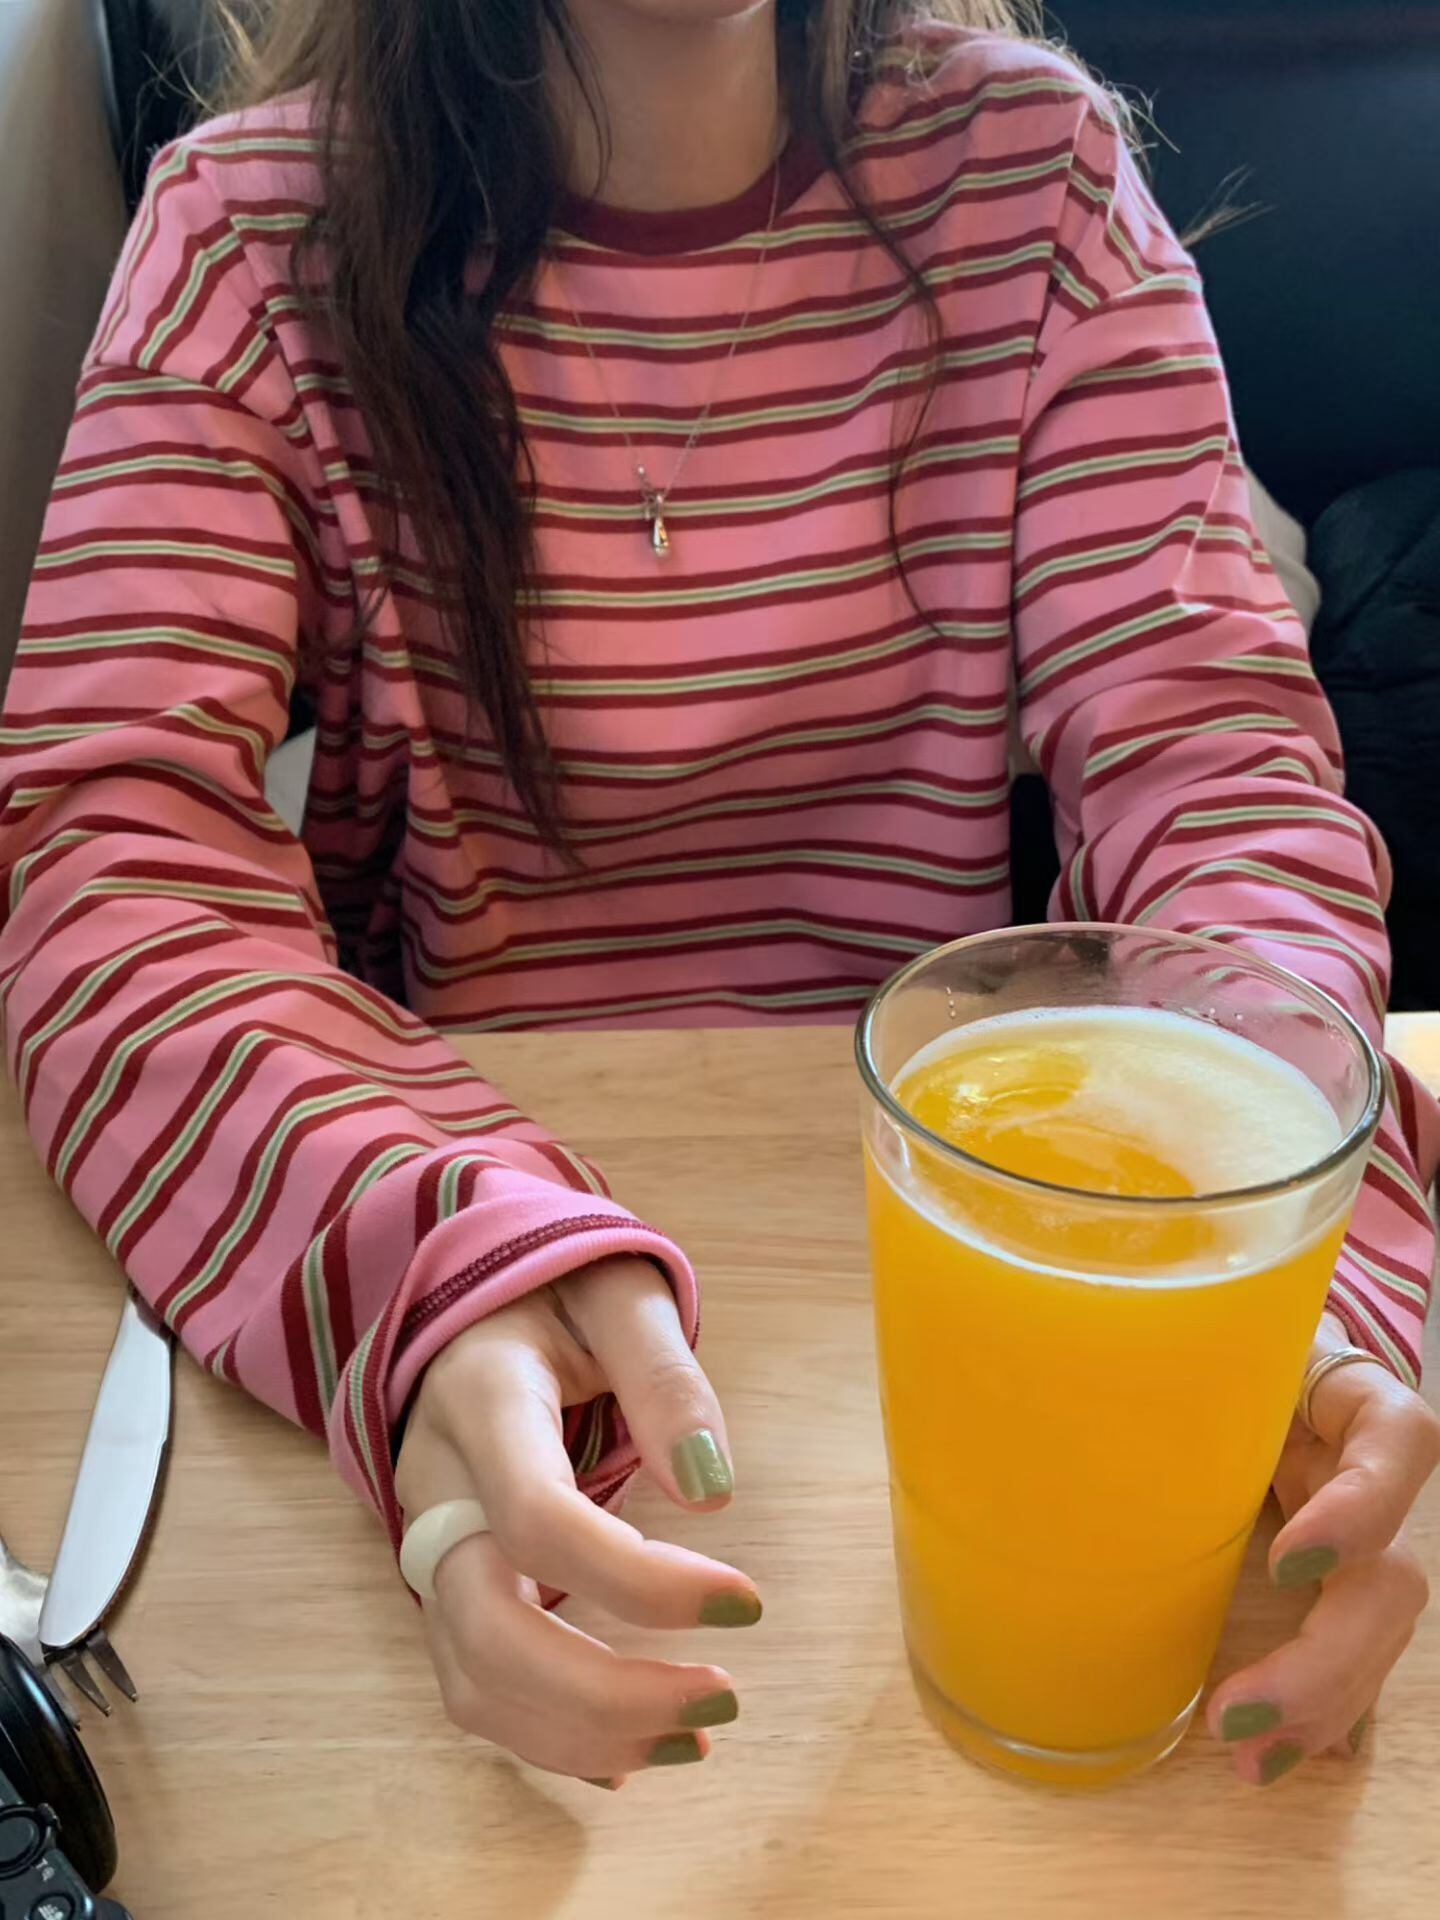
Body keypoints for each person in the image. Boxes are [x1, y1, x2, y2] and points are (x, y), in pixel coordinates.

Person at [2, 0, 1436, 1792]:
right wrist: (416, 1257)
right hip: (479, 1237)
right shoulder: (241, 237)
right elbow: (114, 855)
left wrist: (1289, 1257)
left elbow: (1216, 773)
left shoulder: (1043, 183)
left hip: (957, 1270)